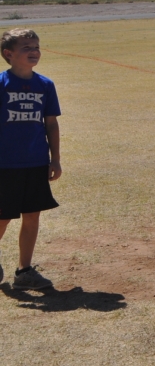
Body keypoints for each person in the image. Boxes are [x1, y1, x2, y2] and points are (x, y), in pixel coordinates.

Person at [0, 28, 62, 290]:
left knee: (32, 216)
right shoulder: (1, 84)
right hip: (5, 164)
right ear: (9, 54)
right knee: (3, 217)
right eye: (26, 47)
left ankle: (24, 271)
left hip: (36, 161)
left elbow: (51, 124)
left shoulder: (45, 85)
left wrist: (55, 159)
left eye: (36, 46)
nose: (34, 51)